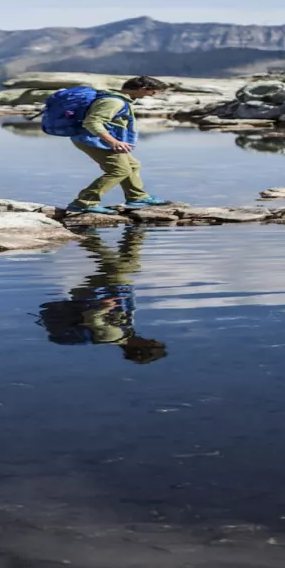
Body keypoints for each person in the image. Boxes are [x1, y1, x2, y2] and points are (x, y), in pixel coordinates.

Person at [35, 230, 166, 364]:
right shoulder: (126, 332)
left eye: (153, 344)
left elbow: (91, 318)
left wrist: (105, 307)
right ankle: (133, 231)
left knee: (120, 268)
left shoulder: (112, 336)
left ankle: (87, 234)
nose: (154, 340)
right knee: (128, 266)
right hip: (105, 291)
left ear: (140, 347)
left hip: (94, 293)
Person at [66, 76, 174, 214]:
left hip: (100, 140)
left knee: (133, 165)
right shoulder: (113, 101)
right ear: (143, 89)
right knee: (119, 170)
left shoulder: (120, 100)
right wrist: (113, 141)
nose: (152, 96)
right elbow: (92, 122)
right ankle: (85, 202)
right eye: (152, 92)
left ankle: (137, 197)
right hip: (94, 140)